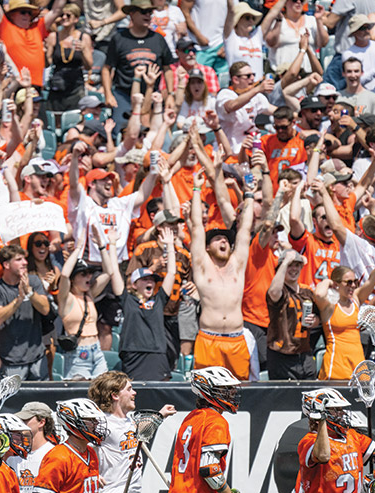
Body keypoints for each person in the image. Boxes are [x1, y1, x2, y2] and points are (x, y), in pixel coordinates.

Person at [186, 154, 256, 380]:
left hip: (236, 339)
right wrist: (197, 190)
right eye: (217, 239)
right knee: (206, 392)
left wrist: (249, 194)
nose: (223, 241)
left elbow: (245, 231)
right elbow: (197, 227)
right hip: (208, 339)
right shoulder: (203, 266)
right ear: (207, 248)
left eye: (226, 239)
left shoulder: (236, 264)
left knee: (240, 396)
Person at [111, 229, 177, 380]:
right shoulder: (127, 300)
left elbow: (172, 273)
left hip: (157, 354)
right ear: (134, 284)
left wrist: (170, 245)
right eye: (145, 279)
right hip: (133, 355)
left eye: (152, 280)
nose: (150, 282)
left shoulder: (159, 300)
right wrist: (112, 244)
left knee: (159, 395)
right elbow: (114, 272)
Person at [102, 0, 174, 126]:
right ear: (132, 14)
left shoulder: (158, 39)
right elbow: (106, 69)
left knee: (154, 130)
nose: (147, 15)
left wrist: (170, 94)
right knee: (120, 129)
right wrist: (108, 94)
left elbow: (168, 69)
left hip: (151, 94)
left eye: (149, 12)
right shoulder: (119, 38)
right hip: (124, 95)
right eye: (143, 12)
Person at [57, 229, 118, 380]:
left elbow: (109, 272)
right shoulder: (67, 298)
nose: (89, 277)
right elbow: (64, 274)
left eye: (89, 273)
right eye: (83, 274)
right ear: (74, 279)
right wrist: (78, 248)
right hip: (79, 352)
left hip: (96, 349)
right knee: (79, 392)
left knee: (104, 388)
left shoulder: (89, 294)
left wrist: (102, 246)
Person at [0, 243, 53, 380]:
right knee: (13, 401)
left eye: (24, 259)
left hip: (37, 358)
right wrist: (19, 299)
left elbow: (45, 309)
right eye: (18, 260)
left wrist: (29, 292)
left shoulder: (34, 281)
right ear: (6, 265)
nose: (24, 263)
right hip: (12, 362)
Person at [309, 263, 375, 381]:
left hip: (358, 366)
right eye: (348, 282)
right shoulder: (329, 305)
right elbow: (318, 294)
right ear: (337, 284)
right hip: (336, 367)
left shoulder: (355, 300)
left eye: (355, 282)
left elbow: (371, 282)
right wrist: (328, 281)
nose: (353, 285)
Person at [265, 249, 315, 380]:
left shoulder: (307, 291)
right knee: (284, 399)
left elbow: (319, 318)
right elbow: (274, 293)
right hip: (282, 355)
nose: (294, 269)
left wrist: (314, 320)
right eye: (289, 265)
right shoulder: (280, 290)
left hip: (305, 355)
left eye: (297, 265)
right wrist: (285, 260)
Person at [44, 3, 92, 113]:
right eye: (62, 15)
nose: (64, 17)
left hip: (76, 85)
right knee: (55, 117)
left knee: (74, 116)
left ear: (76, 19)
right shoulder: (53, 37)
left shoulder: (83, 38)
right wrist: (46, 53)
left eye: (68, 15)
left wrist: (83, 50)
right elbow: (47, 63)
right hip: (57, 83)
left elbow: (89, 66)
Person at [179, 0, 231, 71]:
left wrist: (227, 44)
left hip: (221, 48)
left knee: (223, 84)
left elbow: (233, 16)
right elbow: (184, 11)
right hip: (199, 48)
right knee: (199, 83)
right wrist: (198, 36)